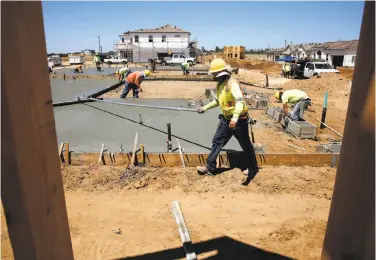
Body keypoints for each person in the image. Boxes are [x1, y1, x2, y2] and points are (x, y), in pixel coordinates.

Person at [196, 58, 259, 182]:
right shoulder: (220, 85)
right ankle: (210, 168)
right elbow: (217, 101)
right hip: (226, 120)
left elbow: (240, 101)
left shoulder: (232, 84)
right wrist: (205, 108)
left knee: (245, 145)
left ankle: (253, 168)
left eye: (214, 75)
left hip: (239, 120)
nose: (213, 77)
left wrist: (235, 118)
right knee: (217, 141)